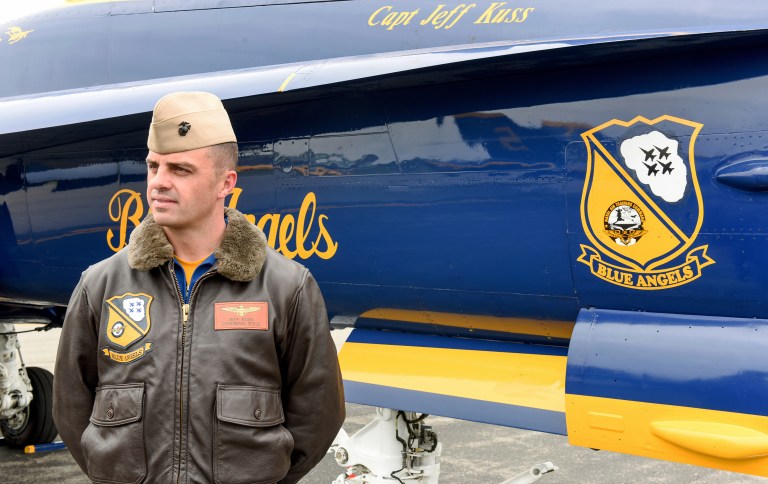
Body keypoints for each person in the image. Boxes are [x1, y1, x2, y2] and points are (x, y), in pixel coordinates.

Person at [53, 91, 345, 484]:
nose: (159, 182)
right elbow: (71, 409)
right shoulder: (101, 285)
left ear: (226, 182)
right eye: (153, 167)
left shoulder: (286, 288)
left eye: (180, 170)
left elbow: (317, 415)